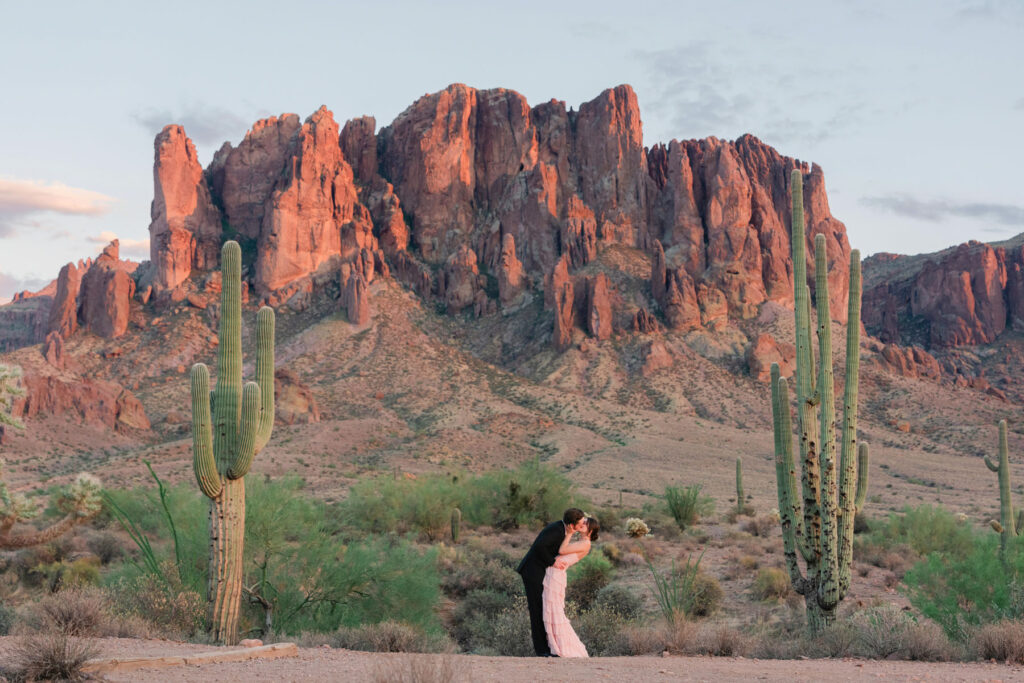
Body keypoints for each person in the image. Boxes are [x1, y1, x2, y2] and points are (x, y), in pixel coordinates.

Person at [516, 508, 586, 656]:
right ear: (571, 525)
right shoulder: (556, 531)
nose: (582, 525)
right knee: (537, 610)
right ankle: (542, 651)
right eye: (580, 524)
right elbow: (539, 547)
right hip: (532, 572)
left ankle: (547, 648)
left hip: (538, 571)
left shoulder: (562, 530)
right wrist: (553, 562)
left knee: (542, 609)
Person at [543, 516, 600, 658]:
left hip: (556, 574)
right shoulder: (581, 541)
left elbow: (562, 551)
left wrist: (569, 533)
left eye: (585, 523)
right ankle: (555, 645)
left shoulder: (585, 544)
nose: (582, 524)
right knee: (552, 609)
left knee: (554, 609)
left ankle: (563, 647)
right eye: (582, 521)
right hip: (554, 572)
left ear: (591, 530)